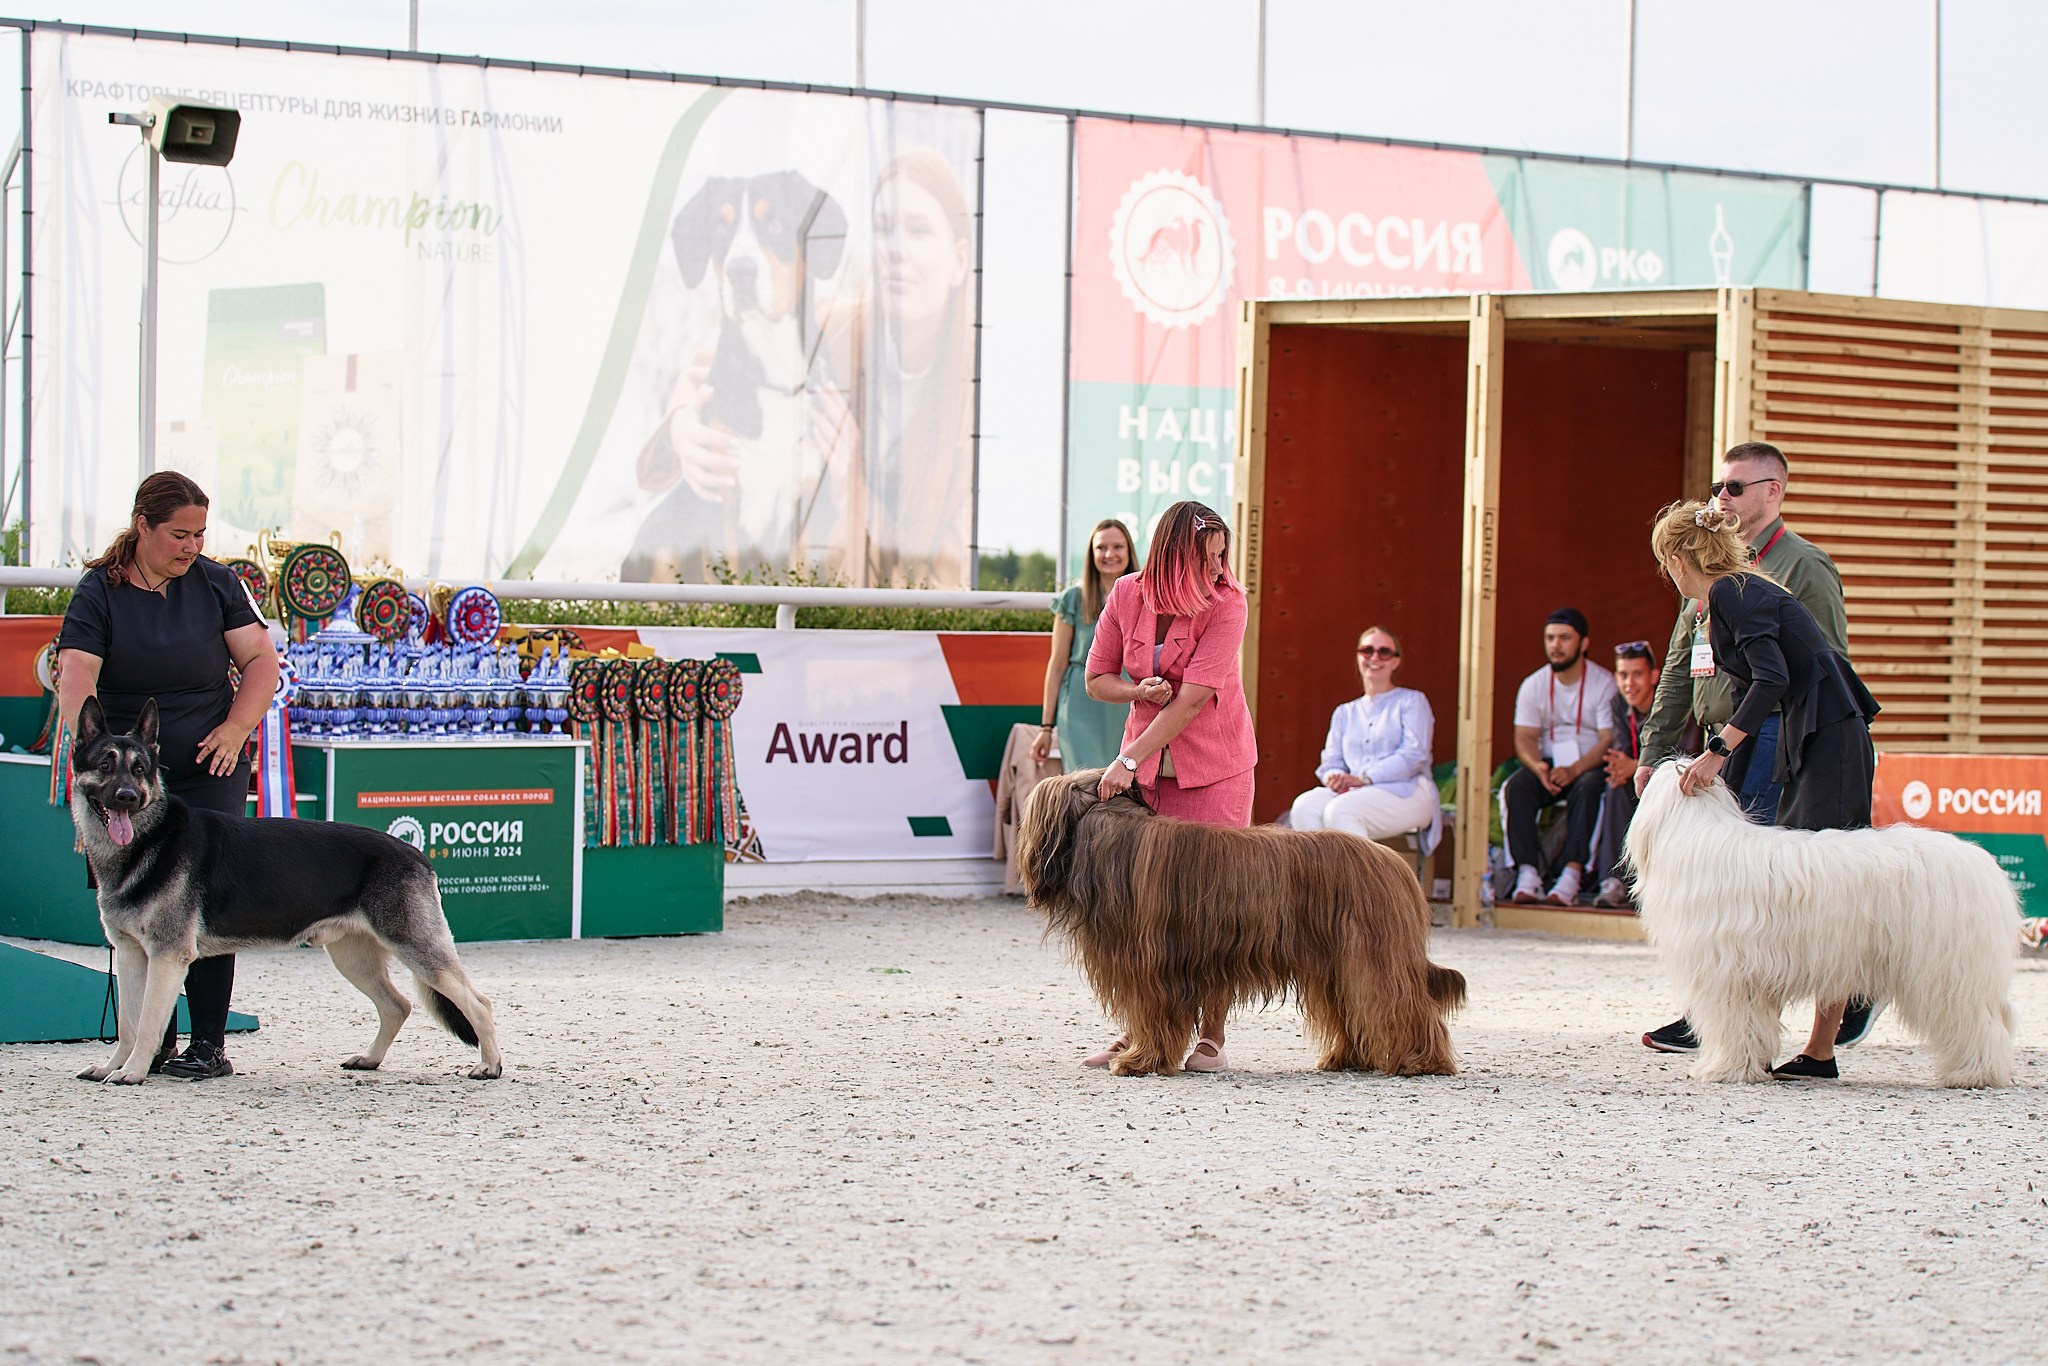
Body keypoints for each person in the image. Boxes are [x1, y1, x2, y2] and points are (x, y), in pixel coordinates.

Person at [1637, 442, 1878, 1052]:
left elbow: (1799, 672)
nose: (1725, 499)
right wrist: (1661, 746)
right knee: (1754, 886)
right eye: (1720, 491)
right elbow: (1685, 668)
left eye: (1736, 488)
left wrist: (1719, 748)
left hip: (1803, 732)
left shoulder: (1764, 579)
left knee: (1804, 878)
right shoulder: (1719, 592)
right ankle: (1736, 1019)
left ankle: (1840, 1007)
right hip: (1759, 731)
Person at [54, 473, 280, 1080]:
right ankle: (147, 1044)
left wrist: (236, 728)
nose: (193, 546)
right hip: (125, 774)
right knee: (135, 913)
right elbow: (75, 673)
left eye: (201, 534)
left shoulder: (217, 582)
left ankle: (208, 1044)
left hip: (210, 763)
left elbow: (261, 660)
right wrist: (92, 769)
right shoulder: (99, 591)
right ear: (143, 526)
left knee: (208, 904)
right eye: (179, 534)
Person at [1081, 500, 1257, 1073]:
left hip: (1215, 770)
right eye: (1207, 559)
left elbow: (1195, 698)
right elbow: (1096, 679)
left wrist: (1127, 759)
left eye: (1221, 557)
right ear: (1174, 557)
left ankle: (1212, 1034)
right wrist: (1136, 693)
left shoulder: (1228, 602)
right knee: (1144, 908)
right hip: (1150, 770)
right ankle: (1142, 1029)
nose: (1217, 569)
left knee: (1216, 904)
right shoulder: (1128, 593)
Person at [1501, 607, 1618, 907]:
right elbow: (1524, 737)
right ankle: (1527, 874)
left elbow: (1607, 739)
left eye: (1564, 638)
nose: (1556, 645)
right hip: (1549, 764)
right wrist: (1538, 767)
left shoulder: (1603, 683)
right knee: (1517, 788)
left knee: (1591, 787)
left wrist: (1575, 769)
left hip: (1588, 763)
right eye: (1550, 638)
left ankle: (1571, 874)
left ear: (1583, 643)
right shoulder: (1534, 684)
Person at [1288, 626, 1441, 852]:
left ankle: (1361, 886)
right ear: (1358, 656)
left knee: (1340, 811)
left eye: (1384, 652)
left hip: (1407, 791)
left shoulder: (1412, 701)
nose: (1375, 658)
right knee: (1304, 807)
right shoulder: (1345, 712)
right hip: (1354, 791)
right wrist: (1335, 778)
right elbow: (1330, 763)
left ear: (1396, 661)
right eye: (1367, 650)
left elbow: (1413, 756)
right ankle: (1322, 884)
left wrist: (1364, 778)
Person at [1031, 519, 1140, 772]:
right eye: (1101, 547)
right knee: (1084, 786)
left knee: (1127, 789)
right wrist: (1046, 728)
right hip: (1080, 705)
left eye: (1118, 547)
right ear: (1091, 553)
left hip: (1129, 702)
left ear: (1129, 551)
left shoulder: (1144, 596)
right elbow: (1057, 665)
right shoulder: (1072, 599)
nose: (1109, 554)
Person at [1590, 641, 1659, 908]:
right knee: (1613, 786)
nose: (1629, 683)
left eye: (1637, 674)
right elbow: (1619, 755)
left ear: (1653, 676)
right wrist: (1626, 769)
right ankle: (1614, 881)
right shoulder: (1618, 703)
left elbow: (1682, 752)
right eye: (1623, 675)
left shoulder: (1668, 701)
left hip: (1670, 784)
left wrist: (1634, 766)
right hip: (1635, 781)